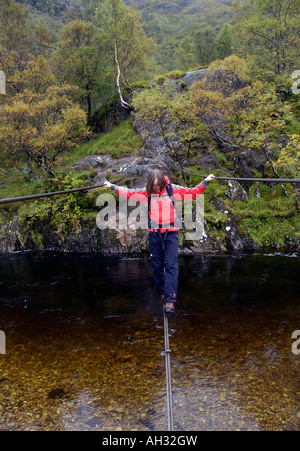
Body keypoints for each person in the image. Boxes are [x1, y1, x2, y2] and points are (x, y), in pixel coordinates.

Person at [104, 169, 215, 313]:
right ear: (150, 184)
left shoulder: (172, 190)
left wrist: (205, 181)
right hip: (154, 232)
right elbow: (129, 192)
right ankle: (162, 291)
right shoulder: (147, 192)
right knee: (157, 266)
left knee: (170, 265)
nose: (156, 188)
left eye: (158, 185)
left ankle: (170, 299)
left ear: (163, 182)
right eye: (154, 185)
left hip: (171, 232)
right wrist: (112, 186)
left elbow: (193, 192)